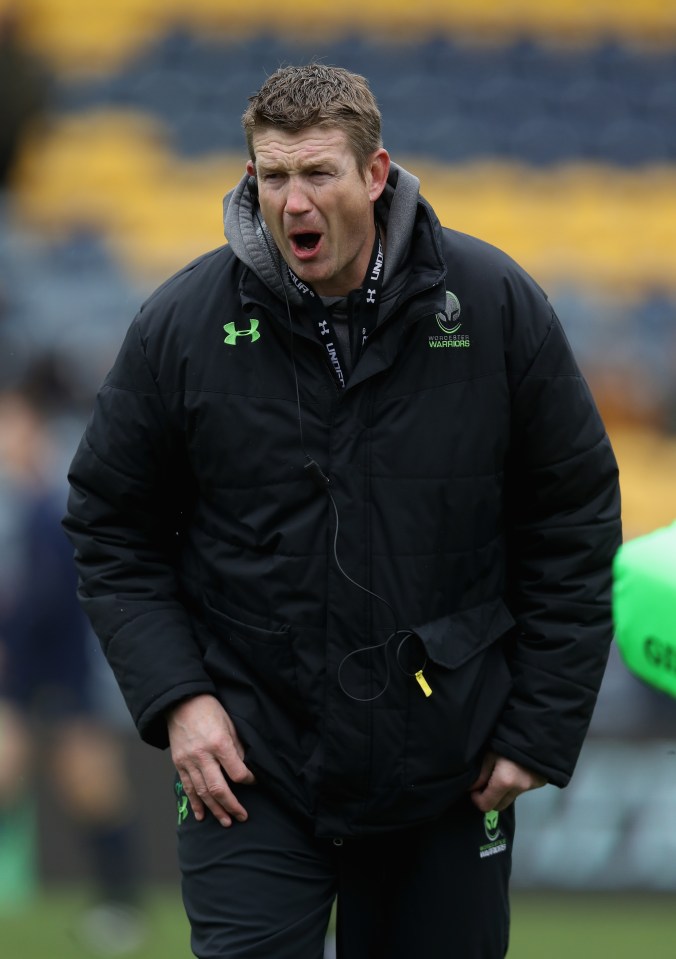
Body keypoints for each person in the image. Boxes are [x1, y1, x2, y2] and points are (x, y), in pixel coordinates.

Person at [63, 64, 622, 959]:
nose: (293, 201)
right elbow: (109, 525)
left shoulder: (493, 303)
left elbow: (573, 523)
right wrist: (180, 700)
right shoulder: (180, 323)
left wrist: (538, 730)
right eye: (272, 176)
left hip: (448, 768)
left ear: (376, 173)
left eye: (317, 172)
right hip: (246, 763)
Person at [0, 385, 145, 953]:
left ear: (33, 429)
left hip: (61, 672)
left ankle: (121, 907)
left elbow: (59, 597)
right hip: (22, 677)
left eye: (9, 425)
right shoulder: (22, 502)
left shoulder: (61, 498)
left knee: (93, 789)